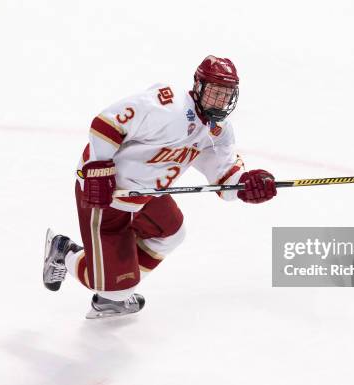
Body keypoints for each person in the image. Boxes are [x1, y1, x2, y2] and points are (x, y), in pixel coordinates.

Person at [43, 55, 277, 319]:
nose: (219, 102)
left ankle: (115, 289)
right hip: (108, 194)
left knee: (171, 232)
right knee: (116, 287)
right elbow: (106, 122)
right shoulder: (167, 105)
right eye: (214, 93)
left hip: (146, 193)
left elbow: (224, 177)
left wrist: (246, 186)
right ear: (198, 87)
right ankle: (66, 253)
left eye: (226, 95)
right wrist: (98, 169)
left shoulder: (218, 131)